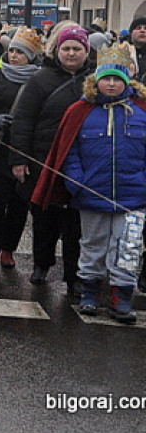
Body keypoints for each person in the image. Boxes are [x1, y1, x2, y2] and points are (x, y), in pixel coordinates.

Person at [32, 43, 146, 323]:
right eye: (105, 78)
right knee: (93, 244)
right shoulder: (80, 111)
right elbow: (68, 151)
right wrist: (76, 182)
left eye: (117, 79)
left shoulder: (141, 111)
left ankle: (121, 297)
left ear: (126, 81)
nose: (110, 84)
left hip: (134, 197)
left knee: (128, 247)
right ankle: (90, 292)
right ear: (96, 81)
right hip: (91, 193)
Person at [9, 22, 92, 296]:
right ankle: (41, 264)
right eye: (66, 48)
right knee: (44, 216)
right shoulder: (39, 80)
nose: (71, 54)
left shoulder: (95, 81)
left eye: (76, 49)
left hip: (82, 160)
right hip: (43, 158)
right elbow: (23, 120)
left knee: (76, 223)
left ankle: (74, 274)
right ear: (57, 50)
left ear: (86, 51)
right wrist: (18, 159)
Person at [0, 27, 42, 272]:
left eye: (21, 52)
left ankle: (9, 250)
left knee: (18, 204)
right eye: (12, 51)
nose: (14, 56)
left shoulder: (37, 80)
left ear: (32, 56)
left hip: (26, 149)